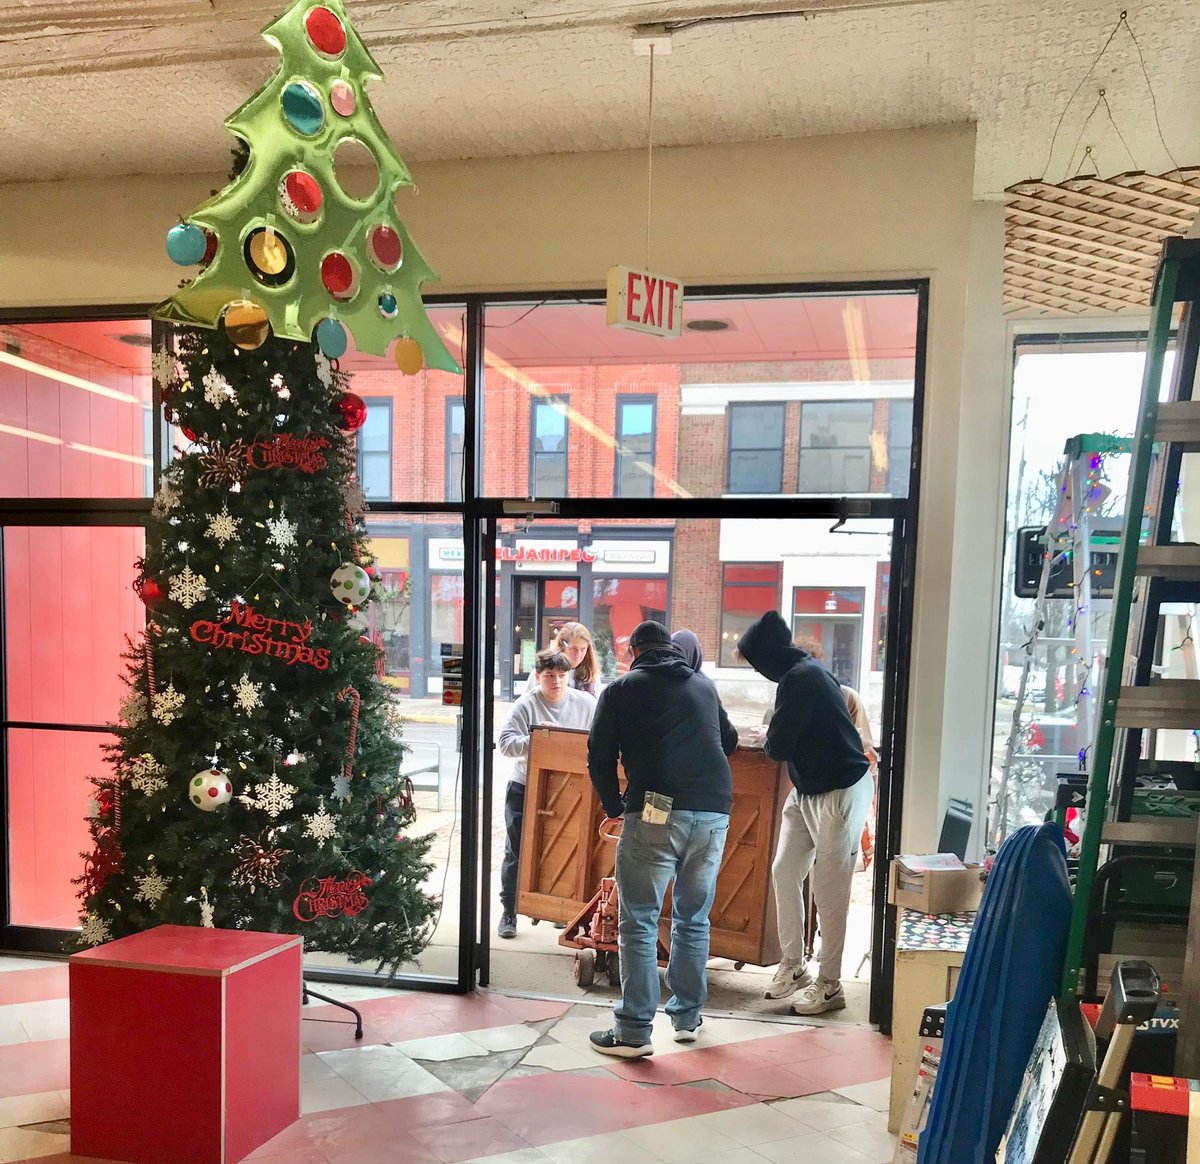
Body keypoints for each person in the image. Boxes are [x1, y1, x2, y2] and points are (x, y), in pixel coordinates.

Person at [586, 620, 739, 1057]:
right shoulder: (703, 686)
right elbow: (726, 741)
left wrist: (615, 806)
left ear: (634, 650)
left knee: (640, 920)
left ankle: (634, 1030)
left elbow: (599, 754)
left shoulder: (621, 690)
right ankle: (688, 1018)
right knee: (693, 917)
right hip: (713, 810)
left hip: (656, 808)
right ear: (671, 649)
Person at [737, 610, 871, 1016]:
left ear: (767, 657)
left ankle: (831, 985)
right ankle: (793, 965)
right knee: (785, 870)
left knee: (830, 890)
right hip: (811, 788)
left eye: (754, 662)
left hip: (838, 791)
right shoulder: (810, 672)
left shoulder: (797, 680)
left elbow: (777, 747)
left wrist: (771, 737)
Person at [497, 647, 596, 940]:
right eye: (550, 675)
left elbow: (598, 738)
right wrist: (537, 739)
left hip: (567, 787)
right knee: (517, 850)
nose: (557, 681)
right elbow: (504, 744)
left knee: (564, 849)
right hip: (525, 785)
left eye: (562, 675)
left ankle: (559, 910)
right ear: (538, 677)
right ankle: (509, 912)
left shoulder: (586, 703)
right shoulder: (526, 704)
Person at [524, 621, 600, 696]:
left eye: (583, 649)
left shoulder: (592, 676)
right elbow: (526, 700)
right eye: (574, 649)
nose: (579, 654)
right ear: (562, 645)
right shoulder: (544, 671)